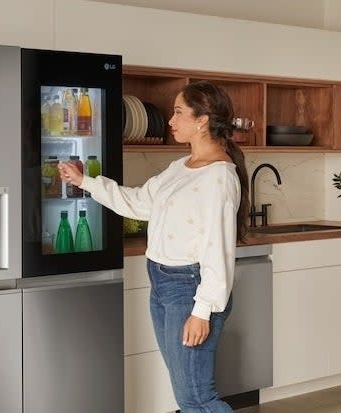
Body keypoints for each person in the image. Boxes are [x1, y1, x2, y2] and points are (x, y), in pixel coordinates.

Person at [58, 81, 249, 413]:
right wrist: (85, 181)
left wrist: (201, 311)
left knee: (197, 398)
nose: (171, 121)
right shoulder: (181, 168)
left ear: (202, 119)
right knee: (186, 394)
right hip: (162, 284)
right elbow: (139, 203)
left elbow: (218, 250)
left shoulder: (219, 178)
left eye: (178, 112)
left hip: (189, 289)